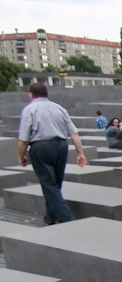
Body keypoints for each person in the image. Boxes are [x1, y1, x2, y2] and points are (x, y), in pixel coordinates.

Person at [17, 82, 87, 225]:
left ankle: (69, 220)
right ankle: (50, 217)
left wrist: (21, 156)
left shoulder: (29, 109)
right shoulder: (59, 108)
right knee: (55, 184)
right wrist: (81, 153)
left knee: (49, 185)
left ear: (31, 95)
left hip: (40, 147)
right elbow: (74, 134)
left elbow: (23, 140)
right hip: (61, 146)